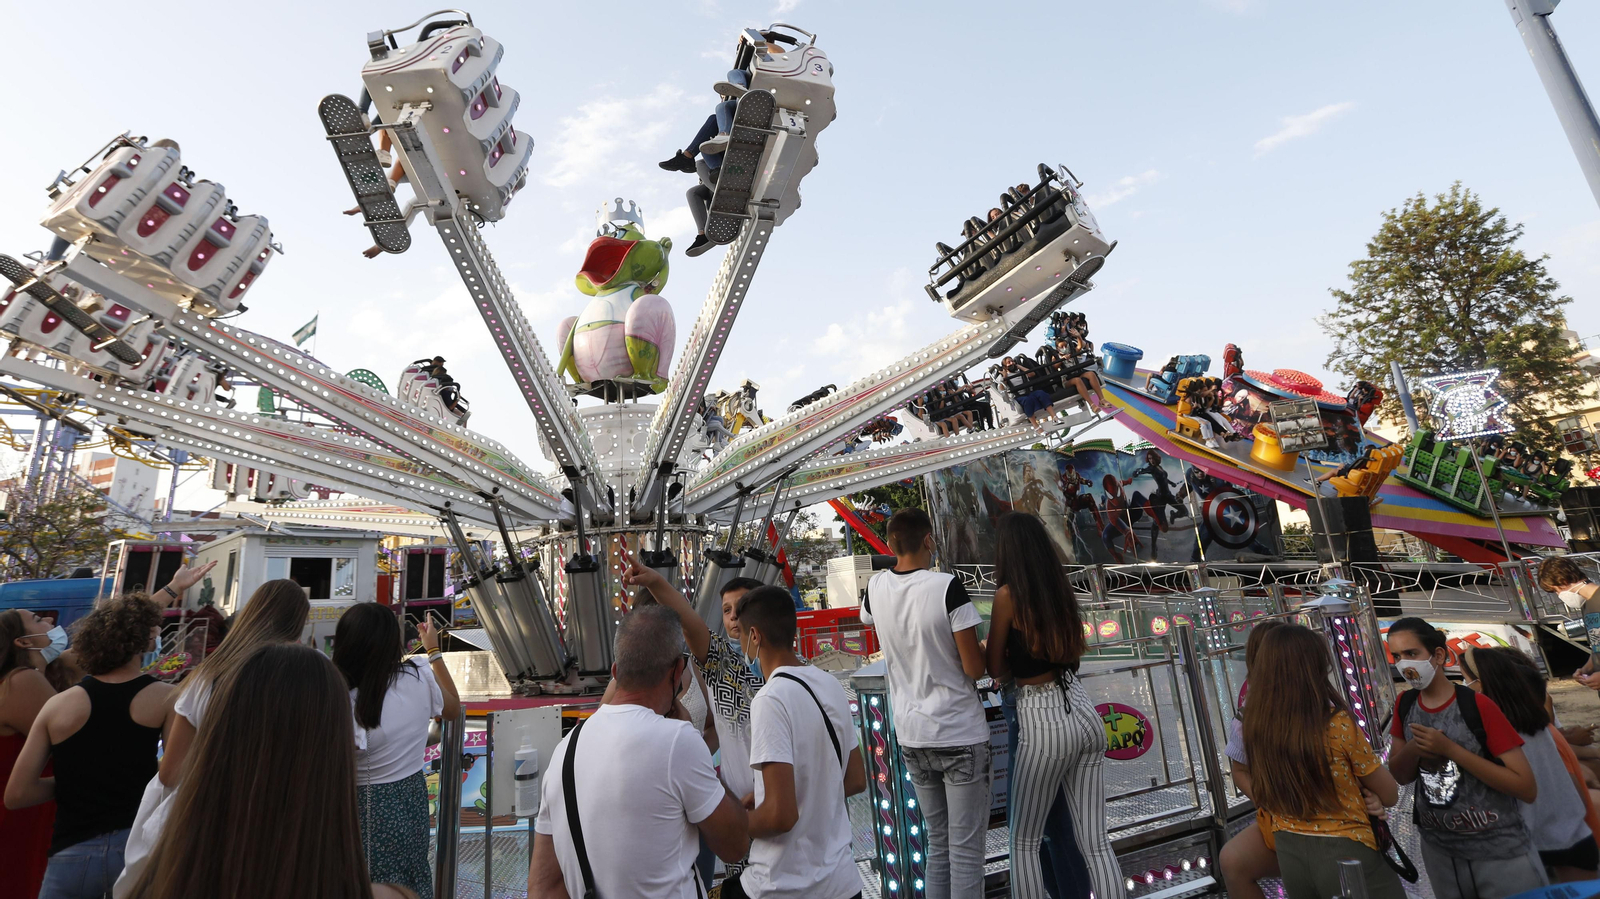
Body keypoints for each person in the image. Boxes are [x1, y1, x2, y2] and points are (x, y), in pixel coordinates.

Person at [123, 643, 415, 899]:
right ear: (335, 749)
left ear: (220, 736)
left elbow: (169, 774)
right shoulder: (391, 895)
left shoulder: (156, 881)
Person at [530, 605, 749, 899]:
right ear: (677, 671)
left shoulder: (565, 749)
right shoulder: (678, 740)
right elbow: (735, 844)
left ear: (616, 671)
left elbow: (544, 887)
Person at [112, 578, 312, 897]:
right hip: (282, 830)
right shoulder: (311, 681)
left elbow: (170, 773)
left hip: (203, 829)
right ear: (298, 625)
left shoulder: (207, 677)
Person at [984, 512, 1122, 899]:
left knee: (1023, 842)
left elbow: (994, 666)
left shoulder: (1008, 596)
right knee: (1095, 841)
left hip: (1041, 715)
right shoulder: (1059, 588)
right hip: (1081, 707)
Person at [860, 508, 990, 899]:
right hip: (959, 731)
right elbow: (974, 670)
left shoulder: (876, 588)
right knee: (966, 851)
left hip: (912, 736)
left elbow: (868, 619)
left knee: (938, 845)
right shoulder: (946, 587)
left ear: (890, 544)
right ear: (929, 540)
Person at [6, 595, 170, 899]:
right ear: (144, 639)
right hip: (138, 846)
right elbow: (174, 775)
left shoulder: (57, 705)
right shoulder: (167, 698)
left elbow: (17, 795)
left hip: (71, 853)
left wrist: (77, 780)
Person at [1238, 624, 1404, 899]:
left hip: (1290, 854)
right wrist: (1370, 794)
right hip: (1348, 853)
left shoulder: (1254, 726)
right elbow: (1390, 793)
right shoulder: (1336, 723)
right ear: (1315, 667)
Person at [723, 585, 866, 899]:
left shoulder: (770, 699)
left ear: (755, 637)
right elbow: (855, 779)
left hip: (784, 885)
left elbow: (780, 815)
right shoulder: (828, 683)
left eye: (744, 636)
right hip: (842, 883)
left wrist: (737, 823)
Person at [1387, 617, 1545, 899]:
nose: (1404, 664)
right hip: (1440, 852)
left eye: (1411, 654)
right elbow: (1399, 775)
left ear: (1437, 655)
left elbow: (1526, 787)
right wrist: (1414, 748)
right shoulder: (1405, 704)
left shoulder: (1477, 705)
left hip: (1499, 852)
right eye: (1397, 656)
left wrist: (1451, 751)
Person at [333, 605, 461, 899]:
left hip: (362, 806)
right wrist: (433, 651)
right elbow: (453, 708)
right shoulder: (416, 675)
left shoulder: (340, 697)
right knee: (412, 875)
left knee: (368, 883)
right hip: (412, 799)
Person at [1462, 647, 1599, 883]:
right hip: (1573, 835)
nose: (1464, 690)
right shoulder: (1537, 726)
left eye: (1466, 681)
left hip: (1537, 845)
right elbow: (1575, 784)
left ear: (1483, 686)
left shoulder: (1499, 735)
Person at [1219, 619, 1286, 899]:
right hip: (1282, 817)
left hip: (1331, 819)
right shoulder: (1249, 706)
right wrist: (1267, 800)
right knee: (1232, 860)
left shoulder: (1325, 706)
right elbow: (1239, 768)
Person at [0, 610, 61, 899]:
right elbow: (76, 743)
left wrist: (171, 589)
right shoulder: (22, 680)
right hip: (19, 819)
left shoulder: (27, 677)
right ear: (22, 642)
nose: (50, 622)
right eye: (38, 619)